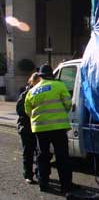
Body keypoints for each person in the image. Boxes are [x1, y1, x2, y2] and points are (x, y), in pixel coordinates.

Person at [24, 64, 74, 193]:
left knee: (43, 156)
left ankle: (43, 183)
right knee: (62, 156)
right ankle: (66, 185)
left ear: (40, 76)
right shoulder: (59, 85)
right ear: (52, 75)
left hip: (40, 129)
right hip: (58, 127)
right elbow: (68, 104)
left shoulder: (32, 91)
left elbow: (28, 111)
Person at [16, 72, 41, 184]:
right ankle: (29, 174)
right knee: (29, 152)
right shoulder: (26, 93)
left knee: (38, 152)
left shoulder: (38, 92)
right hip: (27, 127)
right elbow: (20, 111)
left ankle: (37, 173)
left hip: (37, 126)